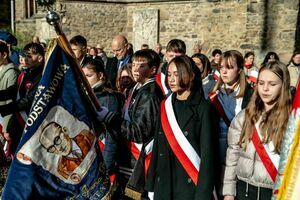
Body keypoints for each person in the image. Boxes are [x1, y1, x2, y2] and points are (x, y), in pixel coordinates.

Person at [145, 55, 218, 199]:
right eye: (169, 74)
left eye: (176, 74)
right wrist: (151, 185)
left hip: (189, 186)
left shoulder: (204, 108)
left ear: (190, 76)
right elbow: (158, 146)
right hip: (164, 183)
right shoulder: (165, 106)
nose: (171, 79)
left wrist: (203, 195)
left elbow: (208, 156)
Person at [97, 49, 164, 199]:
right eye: (133, 64)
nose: (135, 69)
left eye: (141, 66)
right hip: (129, 157)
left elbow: (138, 132)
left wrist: (110, 117)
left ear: (153, 69)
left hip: (138, 157)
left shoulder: (149, 93)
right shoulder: (138, 88)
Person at [222, 60, 292, 200]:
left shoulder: (292, 121)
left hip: (274, 192)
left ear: (283, 86)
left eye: (272, 84)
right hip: (243, 189)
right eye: (261, 83)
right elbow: (232, 154)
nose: (265, 89)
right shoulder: (244, 117)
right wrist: (229, 191)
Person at [208, 50, 253, 195]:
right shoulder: (213, 93)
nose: (224, 72)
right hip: (216, 149)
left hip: (238, 150)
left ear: (240, 69)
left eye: (229, 67)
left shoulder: (249, 95)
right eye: (221, 68)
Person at [0, 42, 44, 155]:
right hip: (18, 123)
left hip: (33, 123)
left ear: (40, 58)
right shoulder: (25, 74)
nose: (25, 59)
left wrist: (3, 109)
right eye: (25, 55)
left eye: (29, 56)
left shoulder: (43, 76)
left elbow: (29, 100)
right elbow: (13, 91)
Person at [82, 58, 124, 175]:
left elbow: (112, 135)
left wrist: (105, 166)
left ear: (100, 75)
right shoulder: (88, 94)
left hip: (102, 153)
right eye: (83, 75)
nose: (85, 79)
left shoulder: (108, 98)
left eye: (89, 75)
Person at [0, 41, 19, 160]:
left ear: (4, 55)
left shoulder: (11, 73)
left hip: (4, 119)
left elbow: (10, 100)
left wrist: (6, 127)